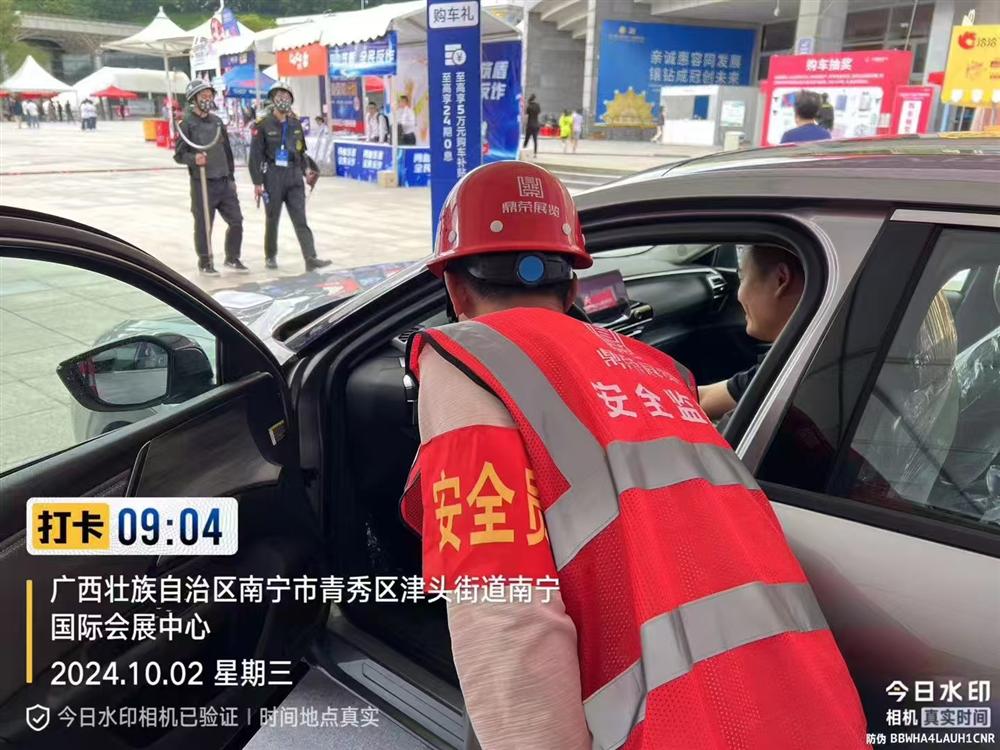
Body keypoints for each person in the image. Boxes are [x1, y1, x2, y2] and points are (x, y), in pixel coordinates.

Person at [399, 161, 869, 749]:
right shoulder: (661, 372)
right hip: (814, 713)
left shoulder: (467, 364)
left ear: (454, 288)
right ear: (573, 287)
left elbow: (505, 613)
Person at [698, 245, 805, 421]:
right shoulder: (796, 354)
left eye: (742, 278)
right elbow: (705, 399)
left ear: (781, 279)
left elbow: (702, 401)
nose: (739, 296)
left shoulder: (792, 366)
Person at [248, 80, 331, 272]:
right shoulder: (262, 125)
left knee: (300, 219)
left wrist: (307, 170)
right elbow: (255, 156)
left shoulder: (295, 124)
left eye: (286, 96)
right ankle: (270, 256)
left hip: (294, 176)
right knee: (272, 218)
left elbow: (301, 152)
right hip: (273, 175)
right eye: (279, 96)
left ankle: (310, 258)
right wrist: (257, 183)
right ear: (272, 99)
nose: (283, 100)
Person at [174, 80, 247, 276]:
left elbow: (227, 152)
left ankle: (232, 257)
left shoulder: (217, 122)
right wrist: (194, 159)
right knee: (204, 225)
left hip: (223, 181)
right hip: (203, 183)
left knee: (236, 221)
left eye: (210, 96)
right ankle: (205, 261)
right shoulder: (186, 124)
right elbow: (179, 155)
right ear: (194, 99)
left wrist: (231, 178)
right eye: (203, 96)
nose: (207, 99)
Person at [522, 93, 540, 157]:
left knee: (527, 139)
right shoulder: (537, 106)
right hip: (536, 124)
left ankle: (523, 151)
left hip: (530, 125)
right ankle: (535, 153)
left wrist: (524, 124)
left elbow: (526, 116)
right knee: (535, 139)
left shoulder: (529, 106)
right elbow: (538, 113)